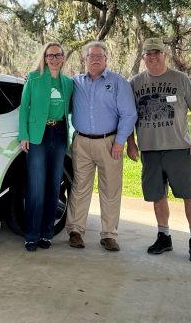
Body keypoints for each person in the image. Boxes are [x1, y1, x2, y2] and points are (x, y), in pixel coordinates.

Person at [126, 37, 191, 263]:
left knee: (190, 196)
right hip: (150, 151)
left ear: (164, 54)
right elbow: (129, 116)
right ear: (142, 58)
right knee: (157, 196)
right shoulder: (135, 83)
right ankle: (164, 236)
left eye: (156, 53)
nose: (152, 57)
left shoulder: (181, 79)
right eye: (148, 54)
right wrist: (131, 143)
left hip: (179, 149)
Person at [66, 41, 137, 252]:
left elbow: (129, 114)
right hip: (82, 142)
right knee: (79, 187)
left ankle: (108, 235)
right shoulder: (75, 82)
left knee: (110, 189)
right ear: (85, 59)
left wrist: (120, 141)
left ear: (106, 59)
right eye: (91, 56)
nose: (95, 59)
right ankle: (76, 231)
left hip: (110, 142)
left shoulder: (118, 82)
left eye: (99, 56)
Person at [18, 42, 75, 252]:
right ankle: (31, 234)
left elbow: (71, 110)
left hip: (59, 134)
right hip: (37, 136)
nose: (53, 58)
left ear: (63, 57)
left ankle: (46, 233)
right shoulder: (34, 78)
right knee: (36, 186)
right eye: (49, 55)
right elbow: (24, 108)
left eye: (57, 55)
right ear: (44, 57)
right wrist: (24, 135)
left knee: (53, 186)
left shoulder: (68, 83)